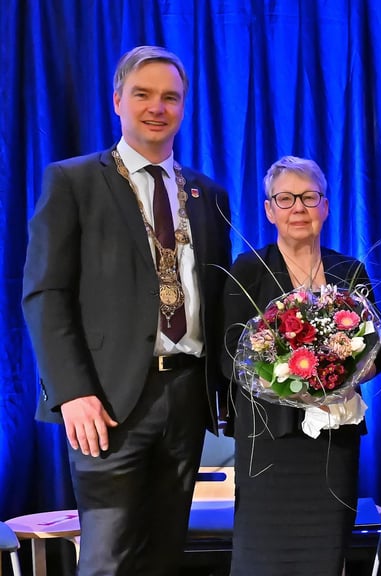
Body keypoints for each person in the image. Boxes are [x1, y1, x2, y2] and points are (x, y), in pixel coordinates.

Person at [21, 46, 232, 575]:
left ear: (183, 108)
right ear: (118, 100)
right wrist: (72, 392)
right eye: (143, 94)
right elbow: (45, 294)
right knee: (108, 559)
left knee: (163, 557)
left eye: (170, 97)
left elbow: (219, 295)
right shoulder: (73, 182)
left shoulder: (209, 195)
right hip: (106, 402)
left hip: (186, 397)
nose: (156, 107)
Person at [220, 156, 378, 574]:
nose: (299, 209)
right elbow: (230, 356)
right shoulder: (248, 269)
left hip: (334, 443)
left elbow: (378, 352)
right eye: (286, 199)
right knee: (264, 559)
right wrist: (297, 384)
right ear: (269, 209)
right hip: (270, 444)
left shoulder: (350, 270)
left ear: (326, 206)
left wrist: (343, 375)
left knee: (324, 557)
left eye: (309, 197)